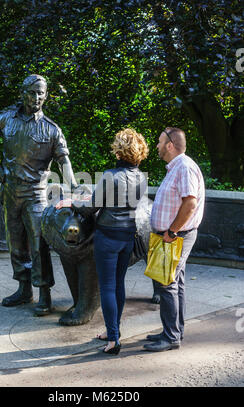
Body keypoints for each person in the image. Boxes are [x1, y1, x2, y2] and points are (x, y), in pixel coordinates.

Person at [0, 74, 80, 316]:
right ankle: (24, 289)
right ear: (23, 93)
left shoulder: (52, 129)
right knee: (15, 242)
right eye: (33, 92)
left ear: (46, 95)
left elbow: (64, 160)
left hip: (36, 193)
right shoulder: (6, 120)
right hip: (11, 190)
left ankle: (44, 294)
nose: (37, 98)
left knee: (38, 245)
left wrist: (73, 184)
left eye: (41, 93)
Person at [57, 128, 149, 354]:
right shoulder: (141, 177)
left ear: (119, 151)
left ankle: (113, 340)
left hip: (107, 237)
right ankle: (112, 331)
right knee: (118, 285)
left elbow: (90, 209)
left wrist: (70, 203)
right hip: (128, 236)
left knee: (107, 287)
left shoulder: (110, 175)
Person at [143, 127, 205, 352]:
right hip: (174, 234)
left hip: (176, 235)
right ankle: (173, 330)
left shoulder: (184, 167)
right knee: (175, 284)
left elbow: (190, 203)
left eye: (159, 142)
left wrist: (171, 232)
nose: (157, 146)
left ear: (170, 145)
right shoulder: (176, 167)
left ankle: (171, 338)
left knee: (167, 283)